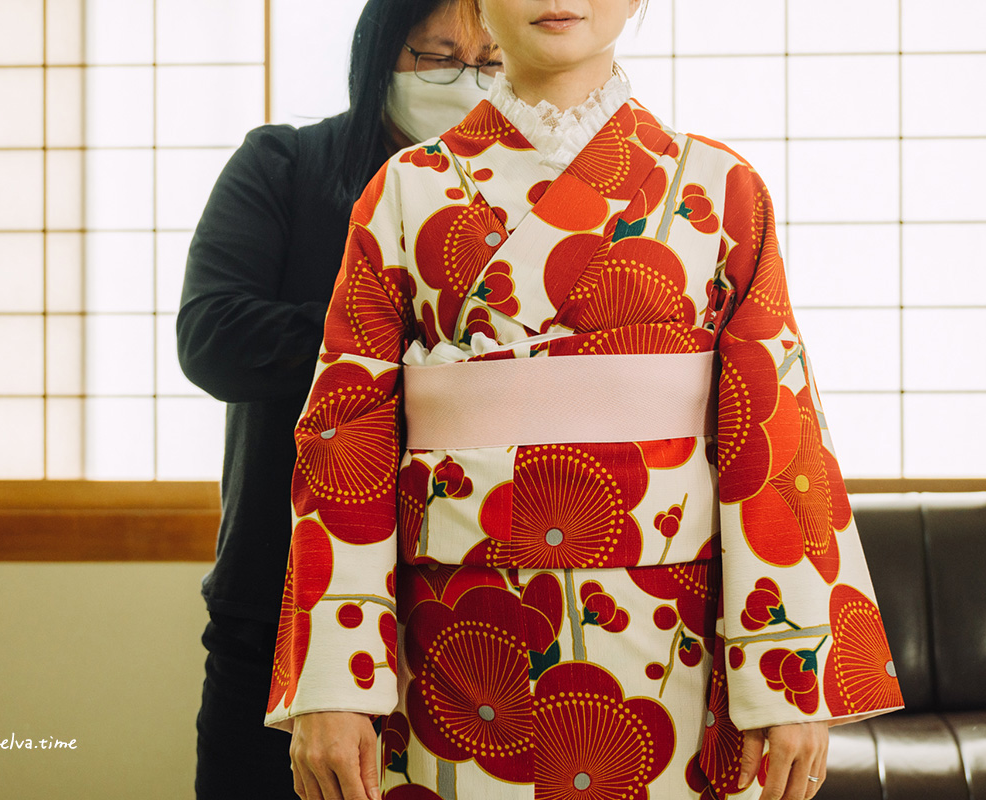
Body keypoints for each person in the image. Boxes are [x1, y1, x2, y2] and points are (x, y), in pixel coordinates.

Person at [264, 1, 905, 799]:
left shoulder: (720, 188)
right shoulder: (405, 191)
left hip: (676, 642)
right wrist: (336, 678)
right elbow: (344, 439)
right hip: (457, 646)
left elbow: (775, 441)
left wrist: (787, 672)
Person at [177, 2, 499, 797]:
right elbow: (213, 336)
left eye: (490, 62)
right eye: (436, 57)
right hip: (278, 589)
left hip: (477, 595)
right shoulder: (287, 164)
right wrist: (388, 329)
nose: (466, 81)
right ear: (380, 57)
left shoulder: (542, 195)